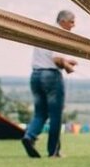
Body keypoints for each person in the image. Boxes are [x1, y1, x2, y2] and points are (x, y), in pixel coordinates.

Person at [22, 9, 78, 158]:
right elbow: (56, 59)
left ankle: (29, 136)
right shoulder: (58, 34)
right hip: (51, 76)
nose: (74, 25)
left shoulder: (44, 32)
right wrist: (67, 66)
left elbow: (50, 56)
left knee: (40, 112)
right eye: (72, 21)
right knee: (55, 115)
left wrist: (66, 61)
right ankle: (54, 151)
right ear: (63, 21)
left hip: (35, 75)